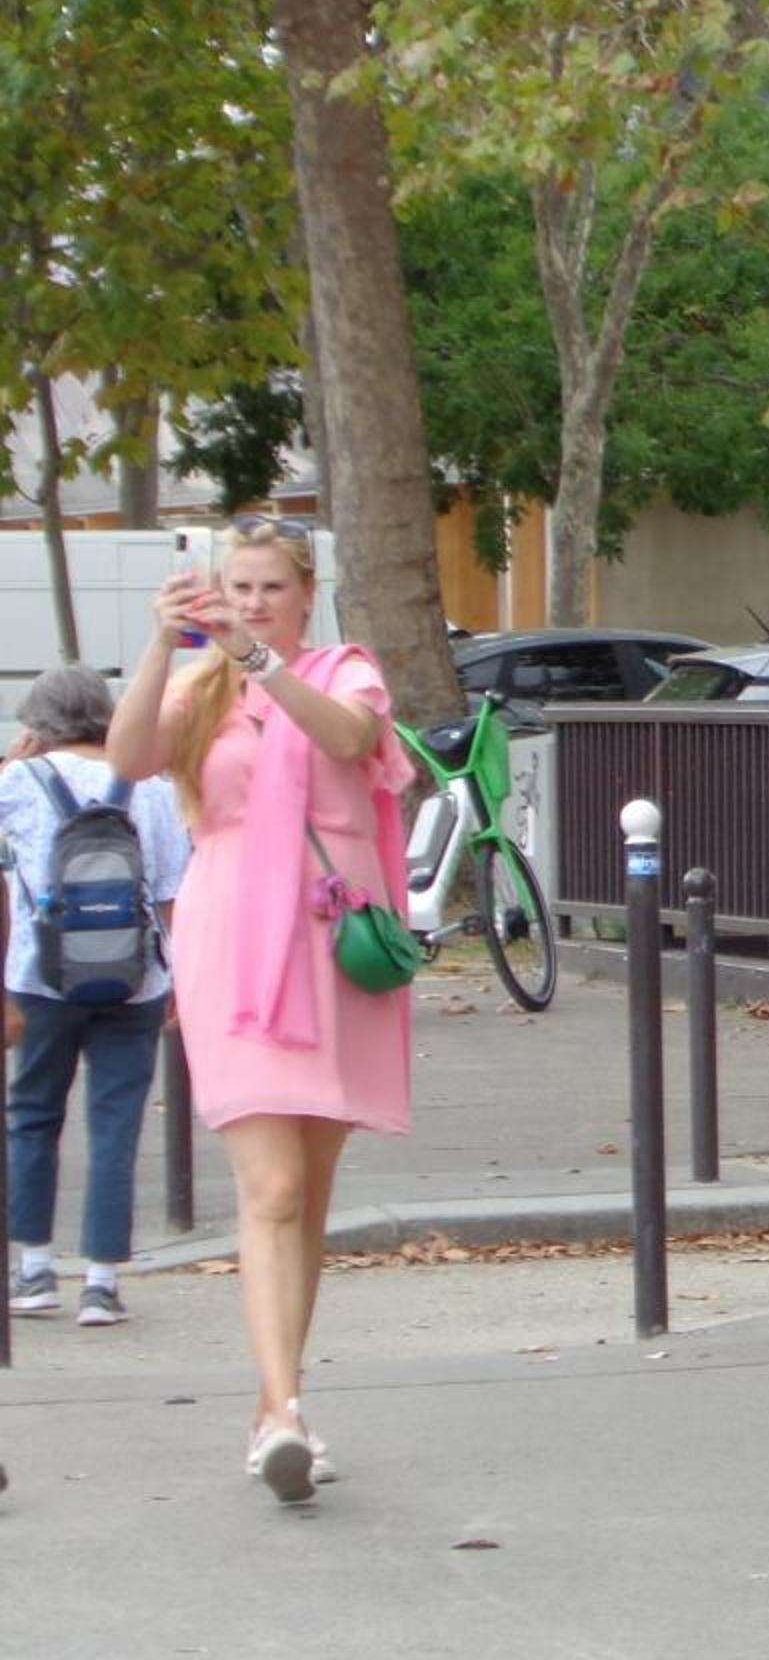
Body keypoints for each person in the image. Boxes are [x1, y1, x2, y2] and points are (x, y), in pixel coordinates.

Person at [109, 515, 413, 1504]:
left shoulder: (343, 671)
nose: (252, 604)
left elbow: (350, 737)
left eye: (271, 588)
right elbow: (128, 757)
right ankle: (283, 1417)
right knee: (272, 1187)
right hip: (235, 940)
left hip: (330, 940)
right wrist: (162, 647)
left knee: (309, 1192)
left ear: (306, 593)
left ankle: (274, 1400)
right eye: (237, 588)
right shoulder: (201, 687)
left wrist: (260, 662)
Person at [5, 665, 192, 1329]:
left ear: (38, 722)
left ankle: (33, 1271)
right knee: (116, 1124)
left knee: (32, 1115)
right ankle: (102, 1283)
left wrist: (14, 760)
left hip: (40, 976)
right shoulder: (151, 786)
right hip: (136, 978)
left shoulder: (20, 781)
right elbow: (170, 892)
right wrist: (179, 976)